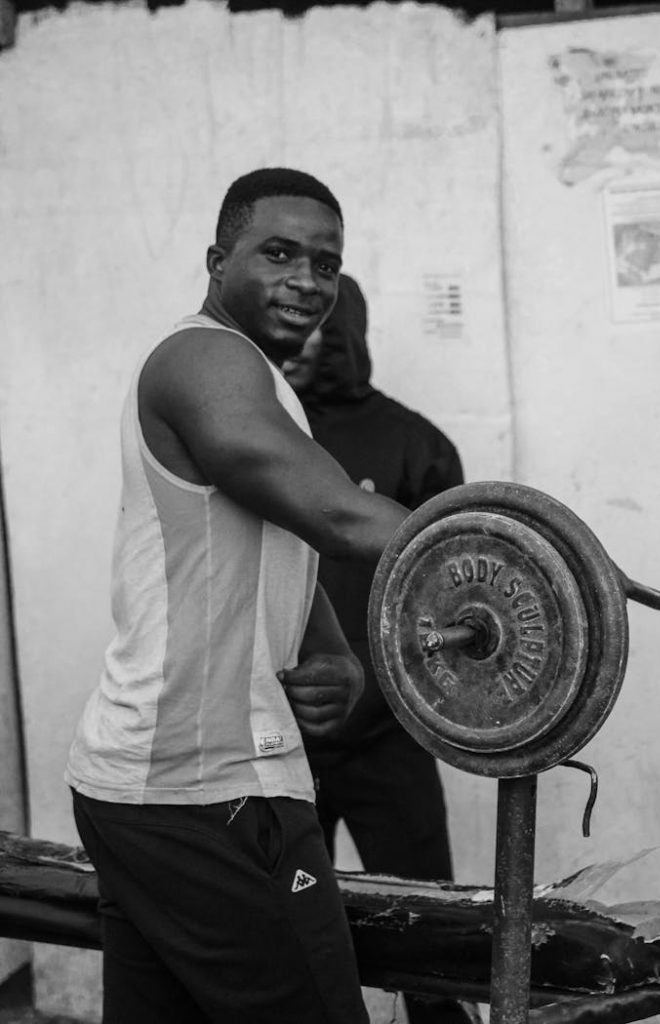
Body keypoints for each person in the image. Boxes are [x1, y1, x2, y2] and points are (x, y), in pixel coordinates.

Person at [64, 168, 411, 1024]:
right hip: (206, 789)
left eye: (325, 264)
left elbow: (266, 533)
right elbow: (331, 512)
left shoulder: (255, 380)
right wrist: (527, 545)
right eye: (279, 253)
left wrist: (328, 649)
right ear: (218, 261)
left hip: (150, 786)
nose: (306, 281)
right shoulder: (203, 358)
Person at [283, 274, 468, 1024]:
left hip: (390, 734)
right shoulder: (252, 433)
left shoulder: (415, 444)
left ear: (347, 330)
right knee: (291, 937)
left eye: (315, 322)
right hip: (279, 734)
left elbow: (455, 594)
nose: (294, 336)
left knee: (430, 939)